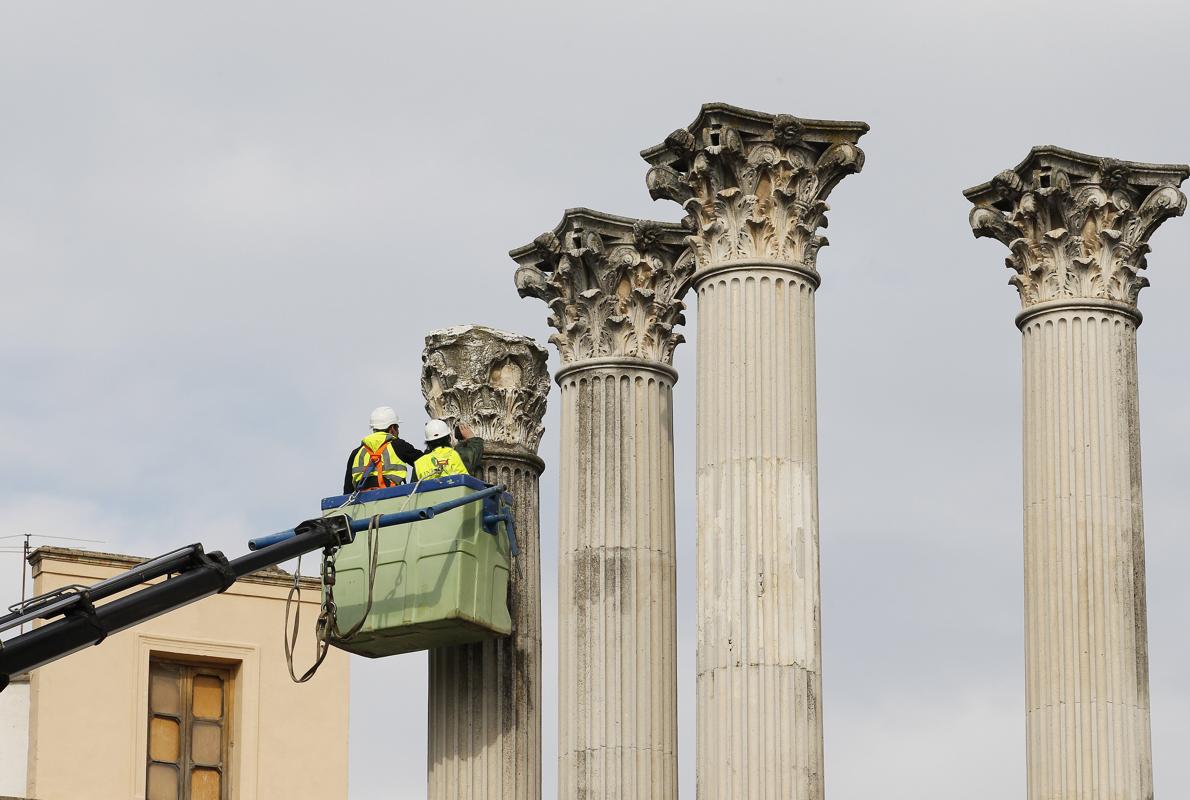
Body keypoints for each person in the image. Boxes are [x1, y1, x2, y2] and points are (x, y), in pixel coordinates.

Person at [342, 406, 425, 494]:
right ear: (392, 428)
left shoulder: (356, 453)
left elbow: (347, 490)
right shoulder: (398, 445)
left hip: (361, 501)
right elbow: (425, 462)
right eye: (397, 427)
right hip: (390, 496)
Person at [413, 419, 484, 480]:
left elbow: (411, 490)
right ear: (449, 438)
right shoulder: (455, 455)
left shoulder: (419, 463)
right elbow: (473, 452)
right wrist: (471, 438)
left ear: (428, 443)